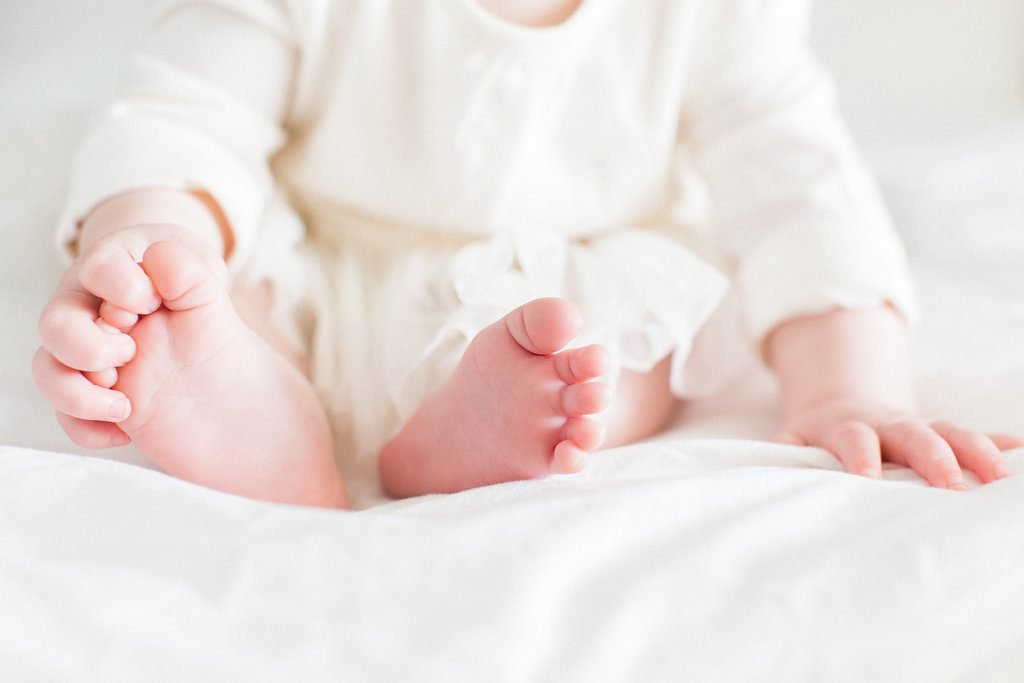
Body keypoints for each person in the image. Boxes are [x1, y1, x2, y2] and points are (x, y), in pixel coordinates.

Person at [32, 0, 1022, 508]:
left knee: (627, 335)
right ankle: (256, 398)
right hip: (323, 264)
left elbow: (796, 181)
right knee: (223, 278)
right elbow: (187, 116)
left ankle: (485, 439)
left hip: (569, 280)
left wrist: (849, 385)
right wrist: (152, 241)